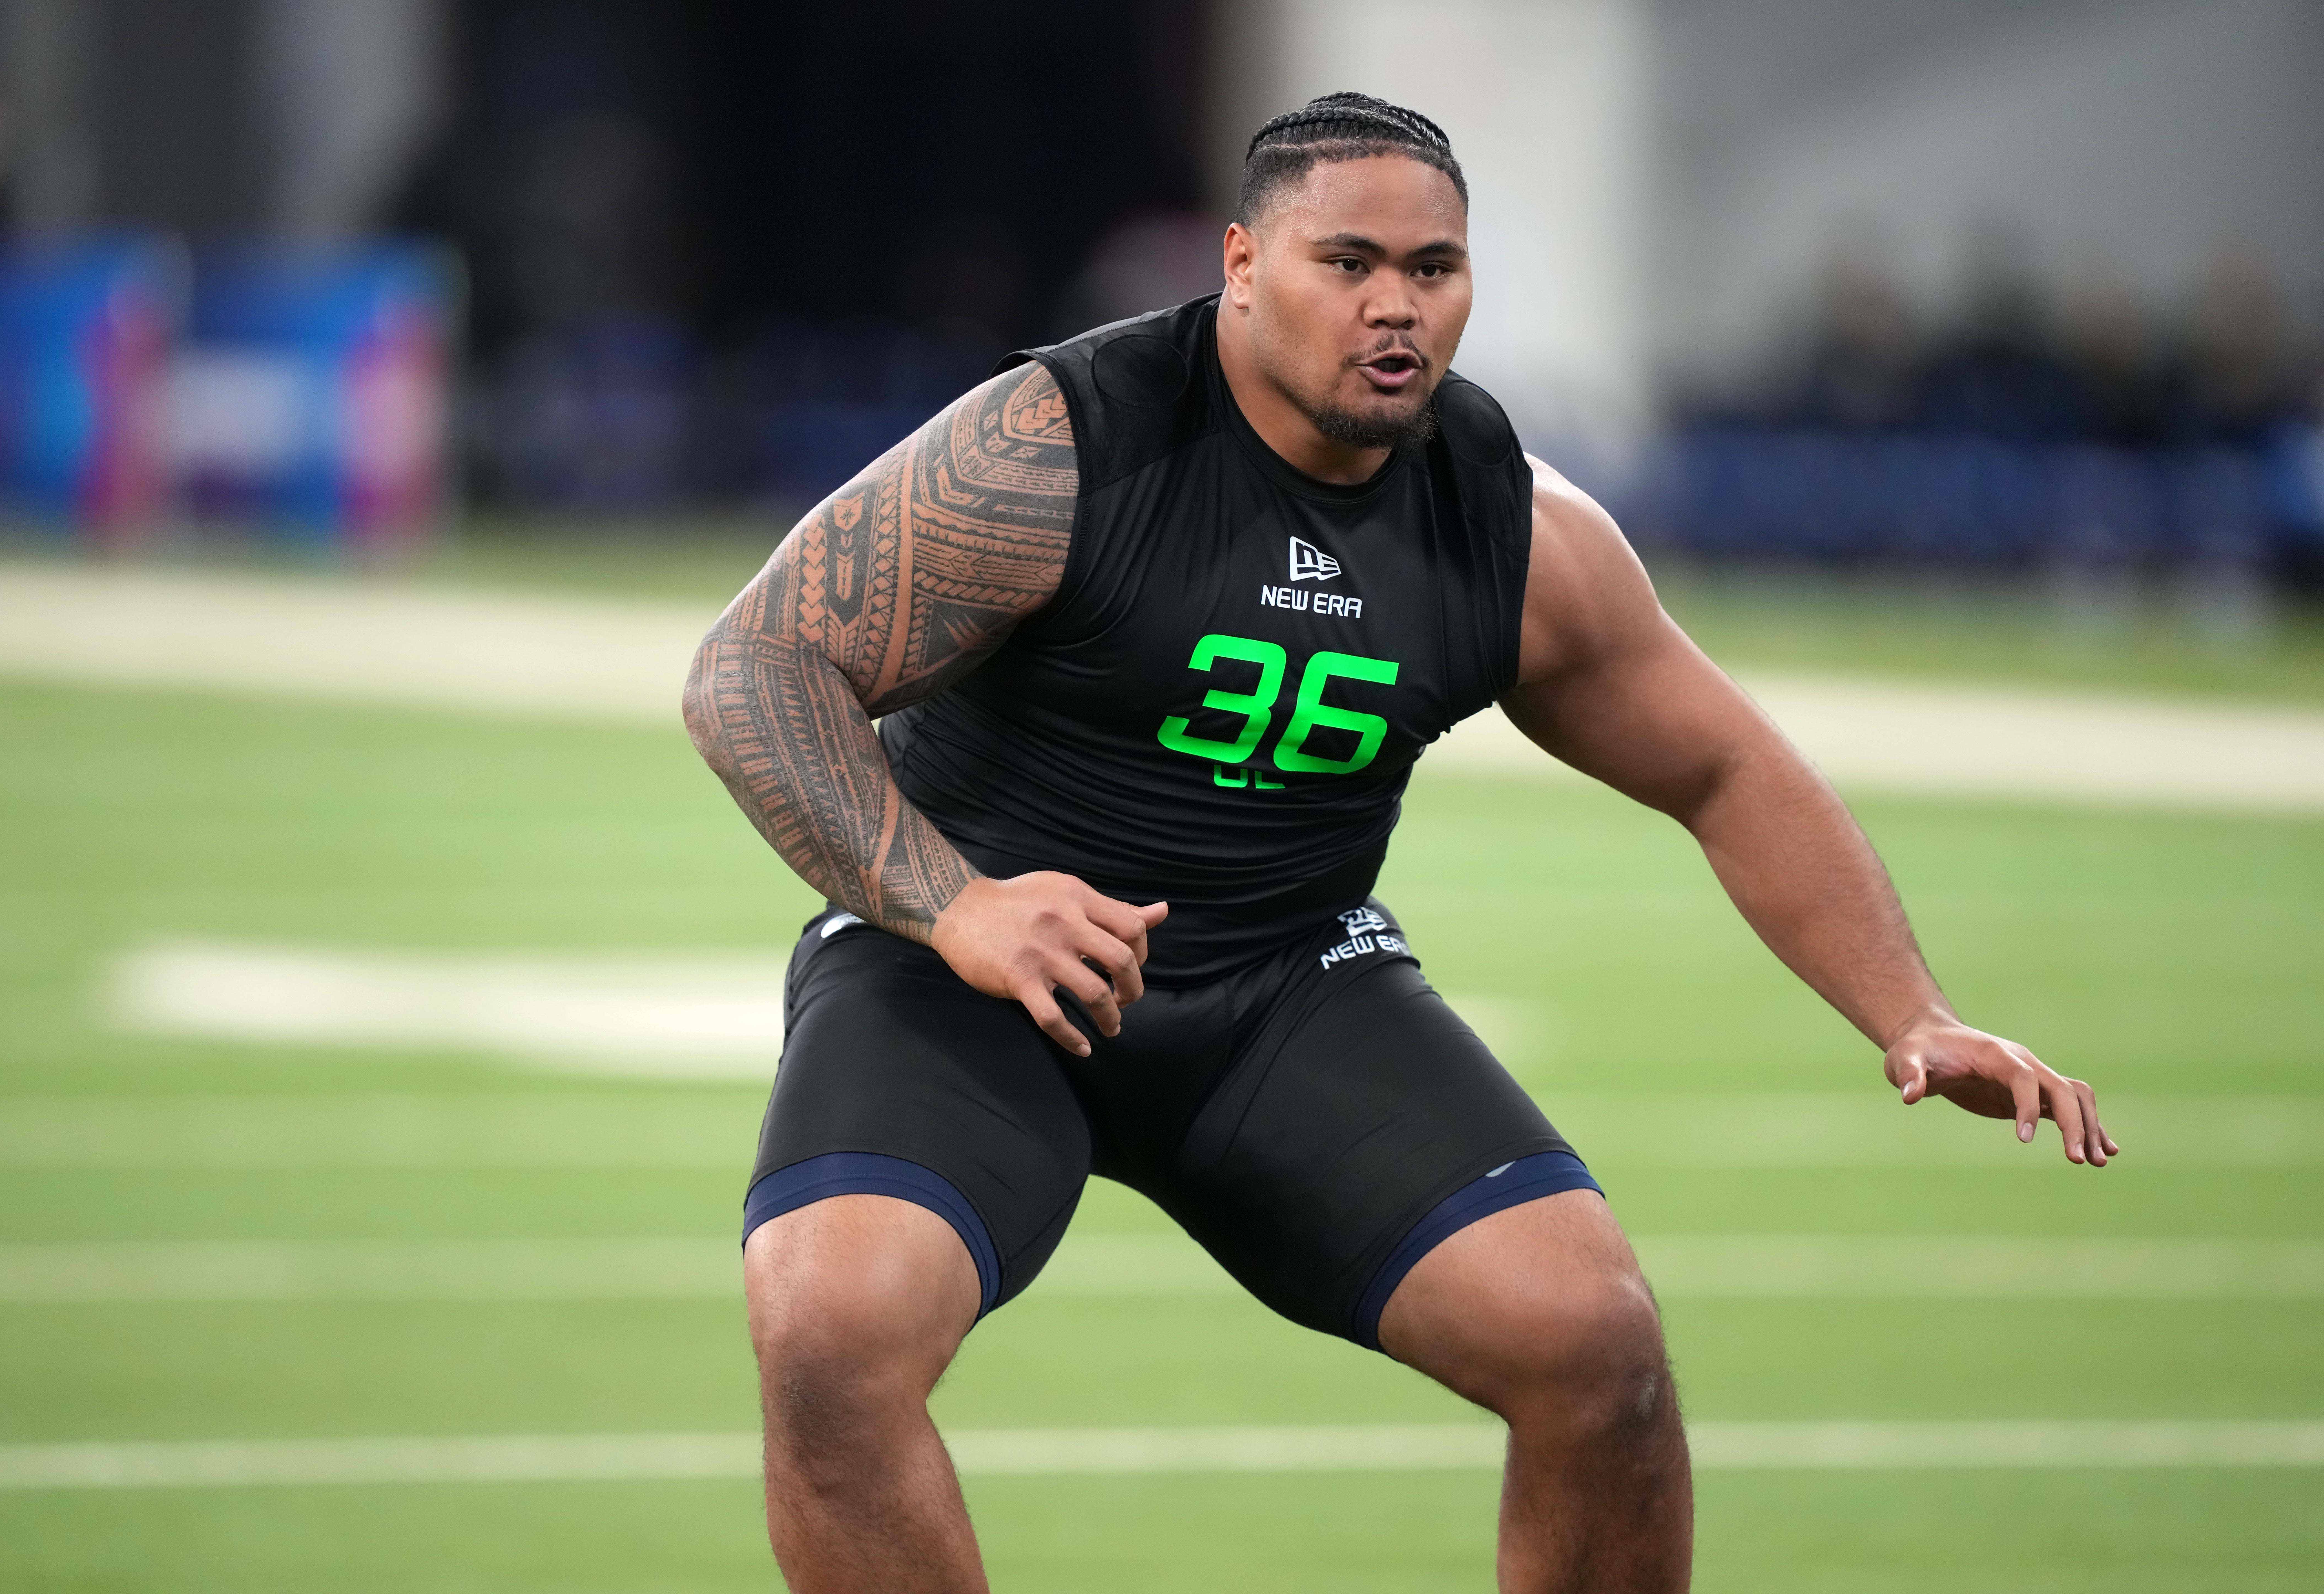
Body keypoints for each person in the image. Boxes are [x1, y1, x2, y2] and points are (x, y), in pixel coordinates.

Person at [683, 91, 2116, 1594]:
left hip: (1279, 988)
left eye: (1433, 270)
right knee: (829, 1335)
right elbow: (756, 667)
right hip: (977, 979)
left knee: (1596, 1346)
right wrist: (955, 904)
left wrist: (1913, 1012)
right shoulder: (1060, 446)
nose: (1394, 306)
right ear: (1241, 264)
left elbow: (1723, 766)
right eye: (1346, 261)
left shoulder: (1511, 528)